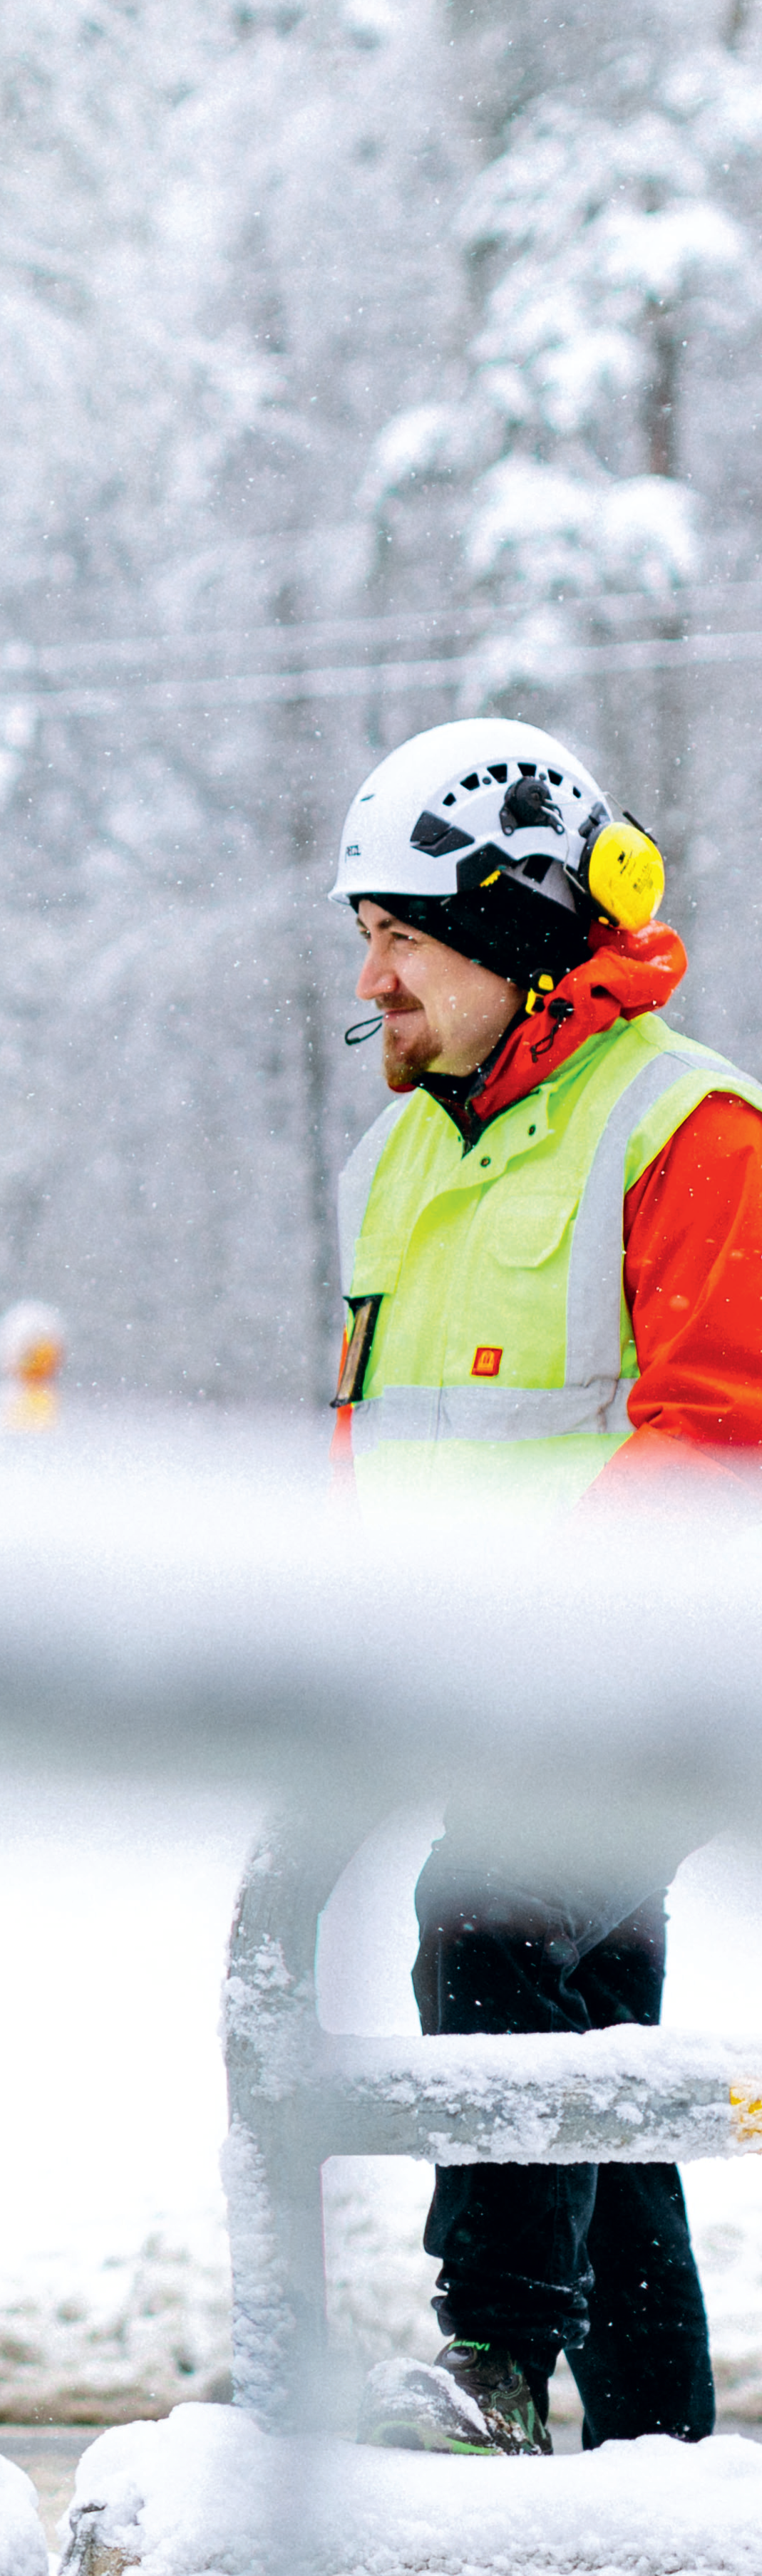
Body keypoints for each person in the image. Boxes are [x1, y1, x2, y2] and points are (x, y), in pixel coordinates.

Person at [330, 716, 762, 2458]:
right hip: (486, 1693)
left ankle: (496, 2358)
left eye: (403, 936)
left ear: (511, 936)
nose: (371, 976)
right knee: (588, 2039)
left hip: (656, 1675)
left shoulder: (692, 1130)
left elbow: (724, 1437)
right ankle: (657, 2448)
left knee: (488, 1918)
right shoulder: (406, 1159)